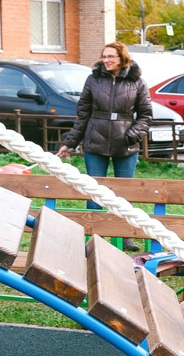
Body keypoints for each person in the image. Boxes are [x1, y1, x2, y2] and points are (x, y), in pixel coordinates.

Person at [58, 42, 153, 237]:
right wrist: (70, 143)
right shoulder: (93, 80)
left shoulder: (137, 82)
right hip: (95, 141)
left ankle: (125, 234)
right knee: (94, 190)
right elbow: (83, 114)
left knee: (124, 191)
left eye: (111, 56)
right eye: (104, 56)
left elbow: (145, 115)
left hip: (125, 145)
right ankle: (94, 234)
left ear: (122, 58)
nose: (106, 60)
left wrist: (131, 135)